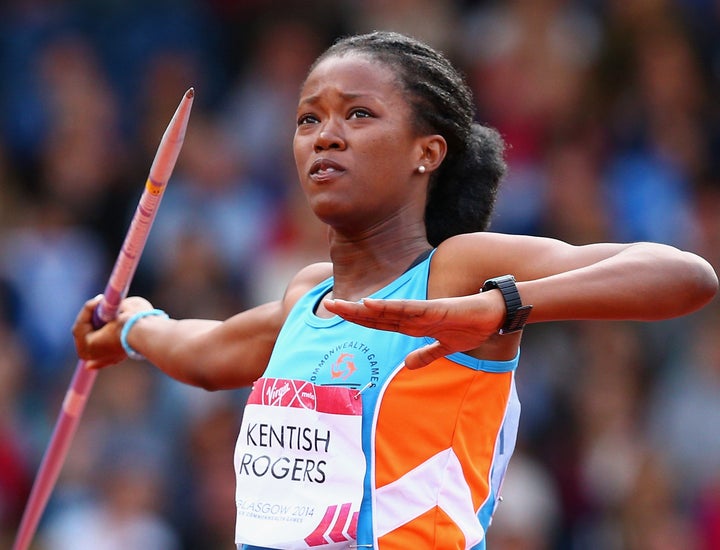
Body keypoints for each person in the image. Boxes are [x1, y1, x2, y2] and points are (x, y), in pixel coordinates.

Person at [73, 31, 718, 550]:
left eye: (358, 114)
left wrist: (506, 305)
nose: (326, 134)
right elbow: (211, 352)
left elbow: (684, 275)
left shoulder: (457, 271)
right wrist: (129, 327)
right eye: (308, 118)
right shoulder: (308, 296)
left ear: (427, 153)